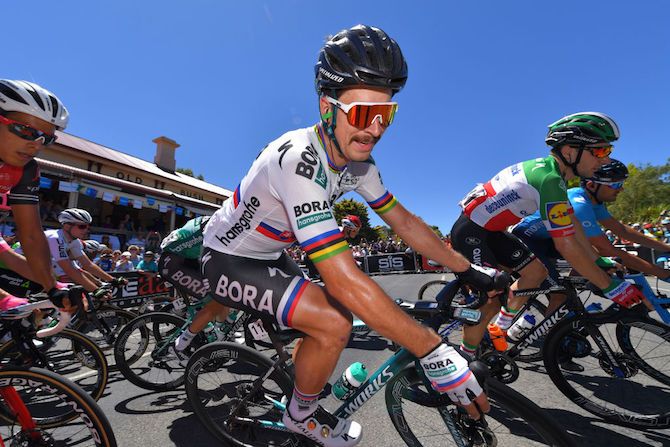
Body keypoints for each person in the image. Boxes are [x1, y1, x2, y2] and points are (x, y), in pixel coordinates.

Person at [200, 24, 505, 446]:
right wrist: (431, 349)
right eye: (364, 113)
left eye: (387, 114)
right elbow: (342, 278)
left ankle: (298, 376)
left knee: (318, 328)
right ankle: (301, 416)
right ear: (327, 106)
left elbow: (406, 223)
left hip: (271, 256)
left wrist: (469, 269)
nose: (376, 129)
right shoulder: (297, 157)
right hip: (228, 259)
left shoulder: (360, 165)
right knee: (333, 321)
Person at [450, 112, 646, 360]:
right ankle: (464, 360)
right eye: (599, 151)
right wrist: (610, 287)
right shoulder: (549, 178)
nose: (605, 160)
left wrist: (597, 261)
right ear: (569, 151)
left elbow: (573, 226)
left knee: (537, 273)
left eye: (607, 151)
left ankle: (498, 329)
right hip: (471, 233)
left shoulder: (556, 177)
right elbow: (566, 245)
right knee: (488, 300)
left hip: (491, 232)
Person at [514, 159, 670, 287]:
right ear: (591, 185)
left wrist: (666, 248)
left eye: (621, 184)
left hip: (549, 240)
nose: (620, 189)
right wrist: (663, 273)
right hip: (528, 239)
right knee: (558, 293)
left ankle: (576, 303)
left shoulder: (595, 202)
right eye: (615, 185)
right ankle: (522, 323)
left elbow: (622, 230)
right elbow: (606, 249)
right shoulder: (580, 205)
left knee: (591, 262)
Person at [0, 79, 74, 310]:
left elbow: (31, 233)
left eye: (46, 139)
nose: (36, 146)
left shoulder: (26, 169)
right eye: (25, 130)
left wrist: (52, 286)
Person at [160, 216, 232, 361]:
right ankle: (178, 346)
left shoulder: (217, 219)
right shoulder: (213, 228)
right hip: (173, 264)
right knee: (215, 302)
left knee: (222, 294)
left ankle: (218, 332)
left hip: (188, 260)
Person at [46, 209, 123, 293]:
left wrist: (113, 280)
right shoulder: (55, 238)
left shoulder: (75, 241)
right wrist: (95, 290)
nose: (86, 230)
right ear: (67, 226)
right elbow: (69, 269)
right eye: (82, 226)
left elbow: (87, 264)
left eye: (87, 226)